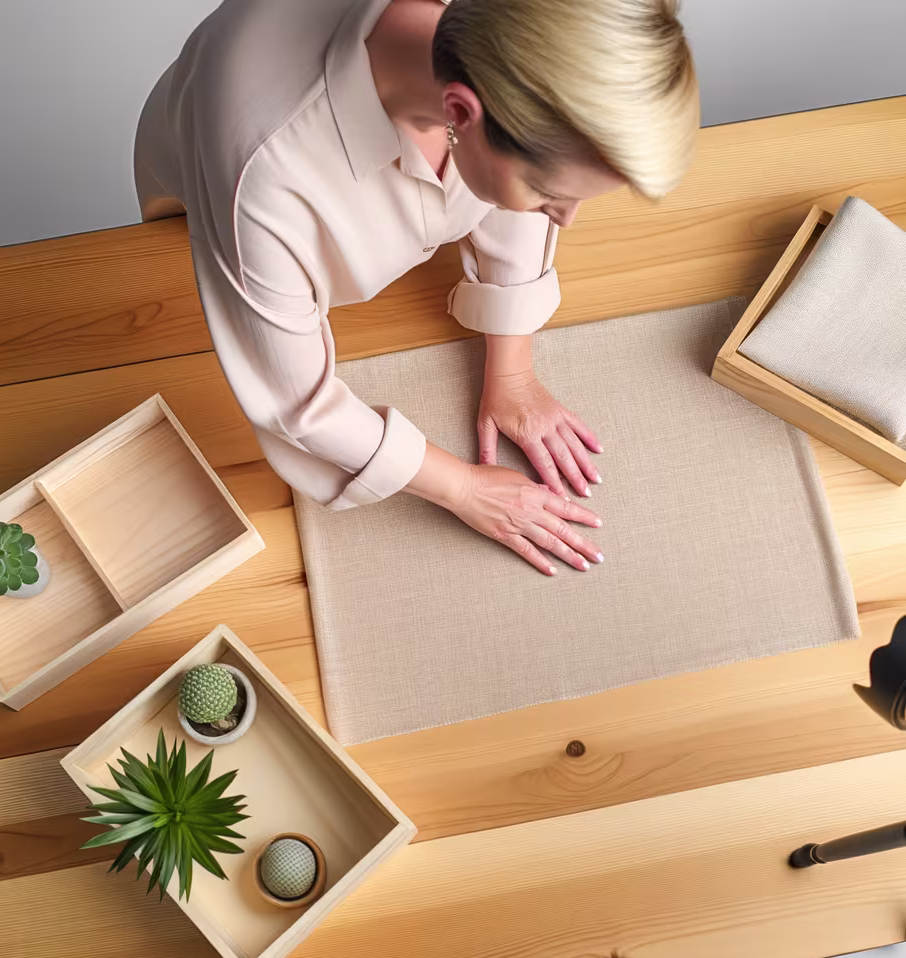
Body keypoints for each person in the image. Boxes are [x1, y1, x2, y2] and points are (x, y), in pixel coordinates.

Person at [133, 0, 699, 574]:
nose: (566, 219)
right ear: (459, 110)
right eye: (550, 194)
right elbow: (296, 402)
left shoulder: (511, 56)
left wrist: (512, 372)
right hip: (195, 228)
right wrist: (462, 488)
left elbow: (526, 152)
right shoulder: (263, 175)